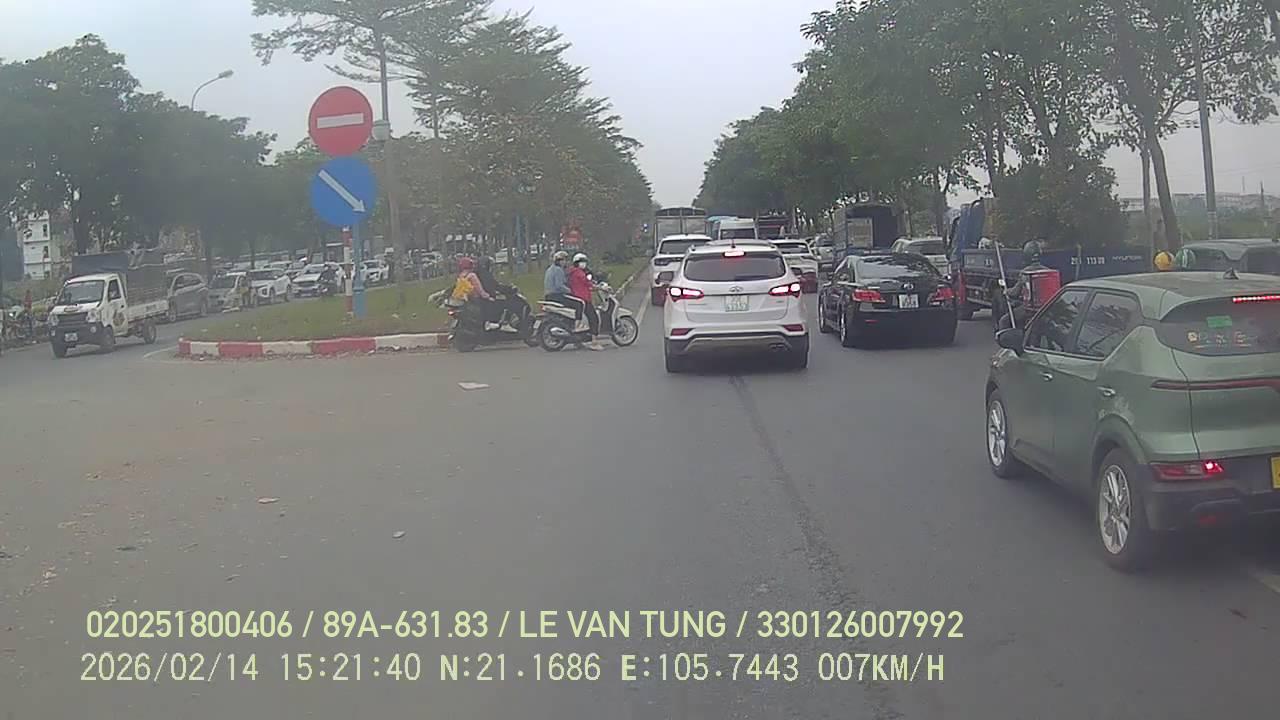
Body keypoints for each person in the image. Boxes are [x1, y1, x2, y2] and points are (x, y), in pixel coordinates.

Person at [568, 252, 603, 350]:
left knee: (585, 319)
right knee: (594, 318)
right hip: (583, 299)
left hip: (578, 297)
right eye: (582, 262)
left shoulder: (573, 272)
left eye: (584, 262)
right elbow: (587, 282)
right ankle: (594, 342)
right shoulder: (579, 273)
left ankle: (578, 342)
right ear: (577, 263)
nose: (584, 264)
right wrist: (598, 287)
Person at [544, 250, 585, 320]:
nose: (565, 262)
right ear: (559, 261)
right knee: (579, 303)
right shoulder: (558, 270)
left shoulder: (550, 269)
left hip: (548, 296)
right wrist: (570, 291)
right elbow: (559, 286)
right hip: (556, 296)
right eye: (564, 260)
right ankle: (578, 322)